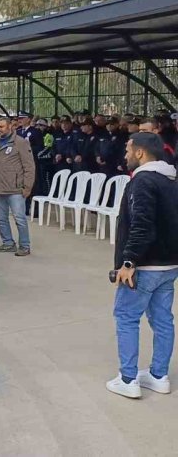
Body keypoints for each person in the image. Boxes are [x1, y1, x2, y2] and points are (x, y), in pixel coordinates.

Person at [106, 132, 178, 399]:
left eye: (128, 150)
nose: (125, 155)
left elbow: (142, 225)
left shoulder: (143, 181)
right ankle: (159, 375)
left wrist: (128, 261)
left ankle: (128, 379)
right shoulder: (171, 180)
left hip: (144, 266)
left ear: (140, 152)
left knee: (126, 317)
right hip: (169, 265)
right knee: (163, 320)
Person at [0, 116, 35, 257]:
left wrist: (27, 187)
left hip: (15, 189)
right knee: (0, 218)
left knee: (19, 218)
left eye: (1, 127)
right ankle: (8, 243)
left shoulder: (20, 143)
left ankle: (24, 245)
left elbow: (29, 166)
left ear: (10, 127)